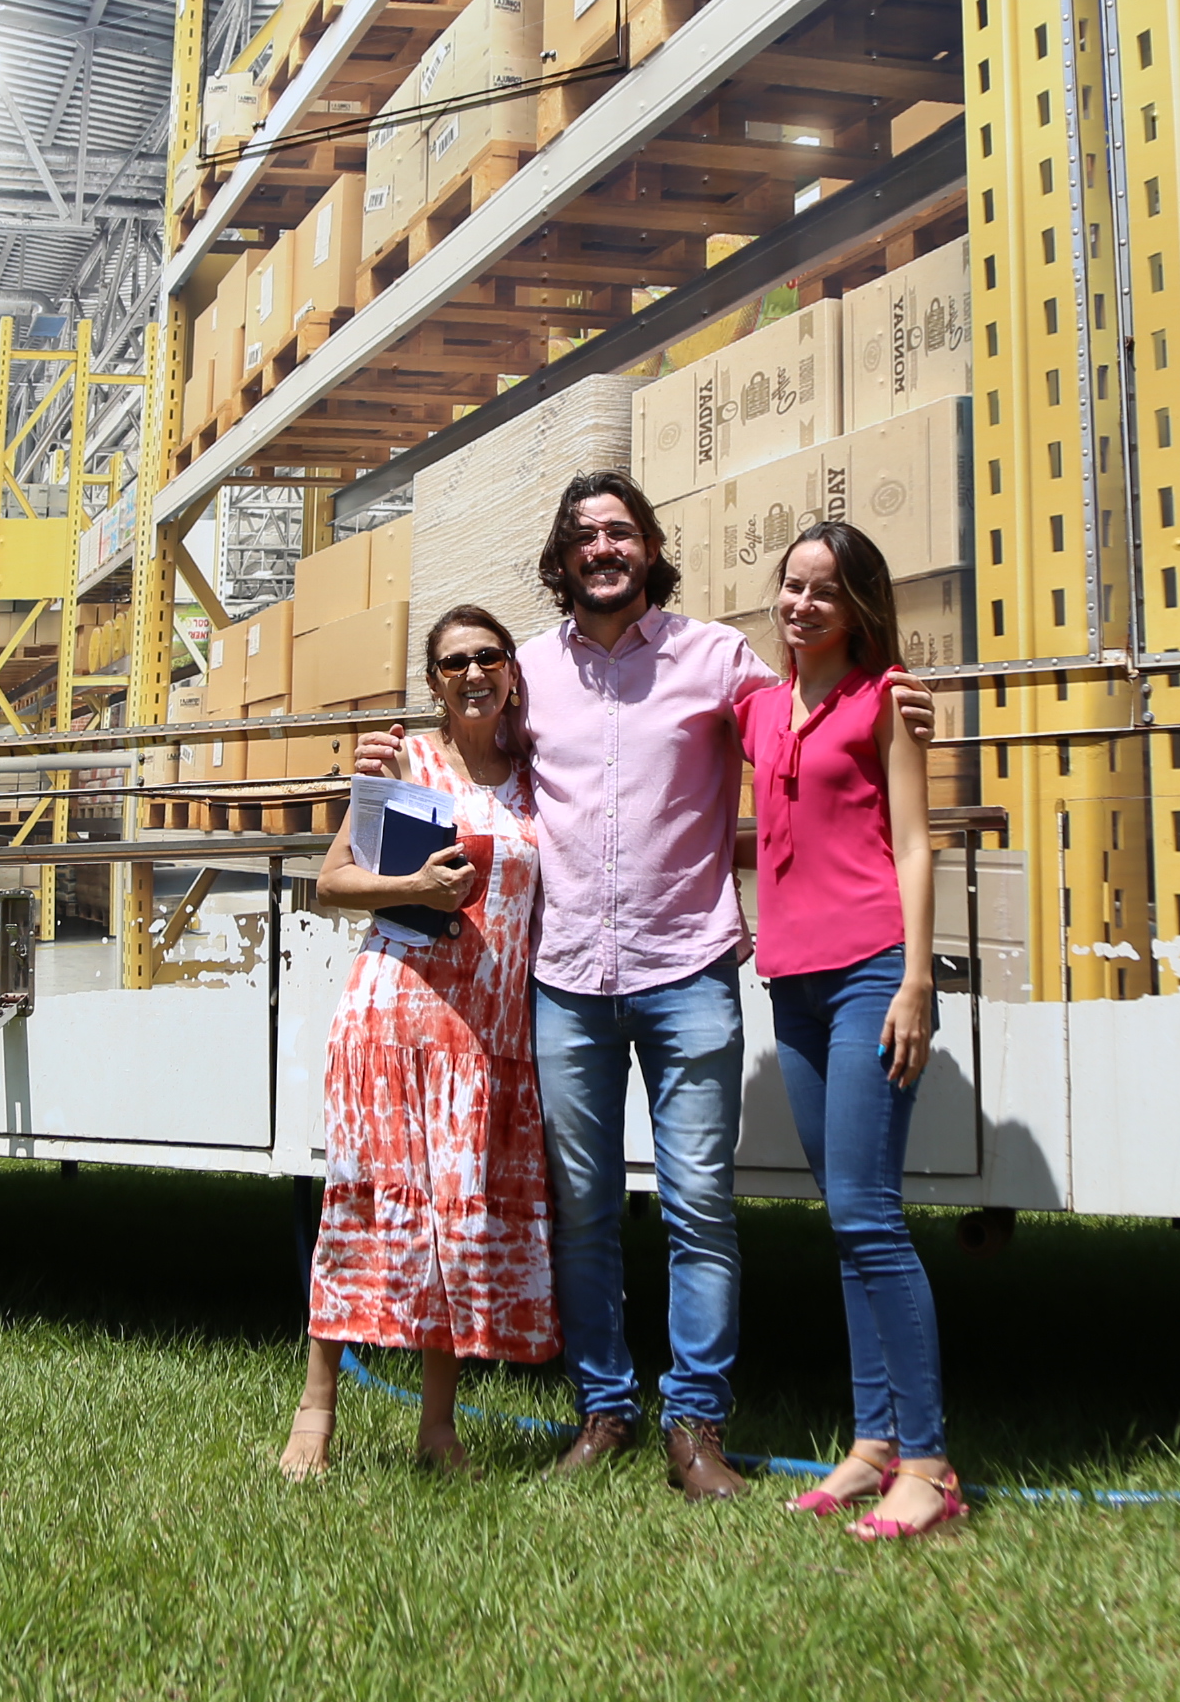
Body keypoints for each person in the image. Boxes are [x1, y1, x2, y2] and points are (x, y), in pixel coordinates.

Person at [355, 468, 931, 1500]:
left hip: (688, 969)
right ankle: (605, 1409)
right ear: (564, 558)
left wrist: (894, 688)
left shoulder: (717, 658)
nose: (604, 548)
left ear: (649, 545)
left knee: (700, 1207)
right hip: (567, 978)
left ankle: (696, 1425)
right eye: (585, 536)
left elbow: (815, 707)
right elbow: (468, 737)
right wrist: (385, 755)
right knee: (580, 1208)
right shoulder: (526, 671)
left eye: (621, 531)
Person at [281, 606, 558, 1480]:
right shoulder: (412, 764)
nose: (472, 674)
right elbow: (332, 881)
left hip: (487, 1033)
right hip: (397, 1016)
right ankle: (315, 1414)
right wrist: (416, 886)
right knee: (363, 1207)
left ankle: (438, 1434)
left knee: (455, 1222)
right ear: (433, 683)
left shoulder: (538, 782)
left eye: (487, 658)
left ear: (512, 670)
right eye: (452, 664)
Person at [738, 520, 959, 1537]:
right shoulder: (756, 706)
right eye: (791, 586)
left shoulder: (888, 702)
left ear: (859, 604)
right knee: (844, 1221)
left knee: (870, 1214)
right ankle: (873, 1443)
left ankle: (930, 1463)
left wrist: (918, 977)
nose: (802, 604)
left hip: (874, 968)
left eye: (824, 590)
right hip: (793, 981)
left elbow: (914, 844)